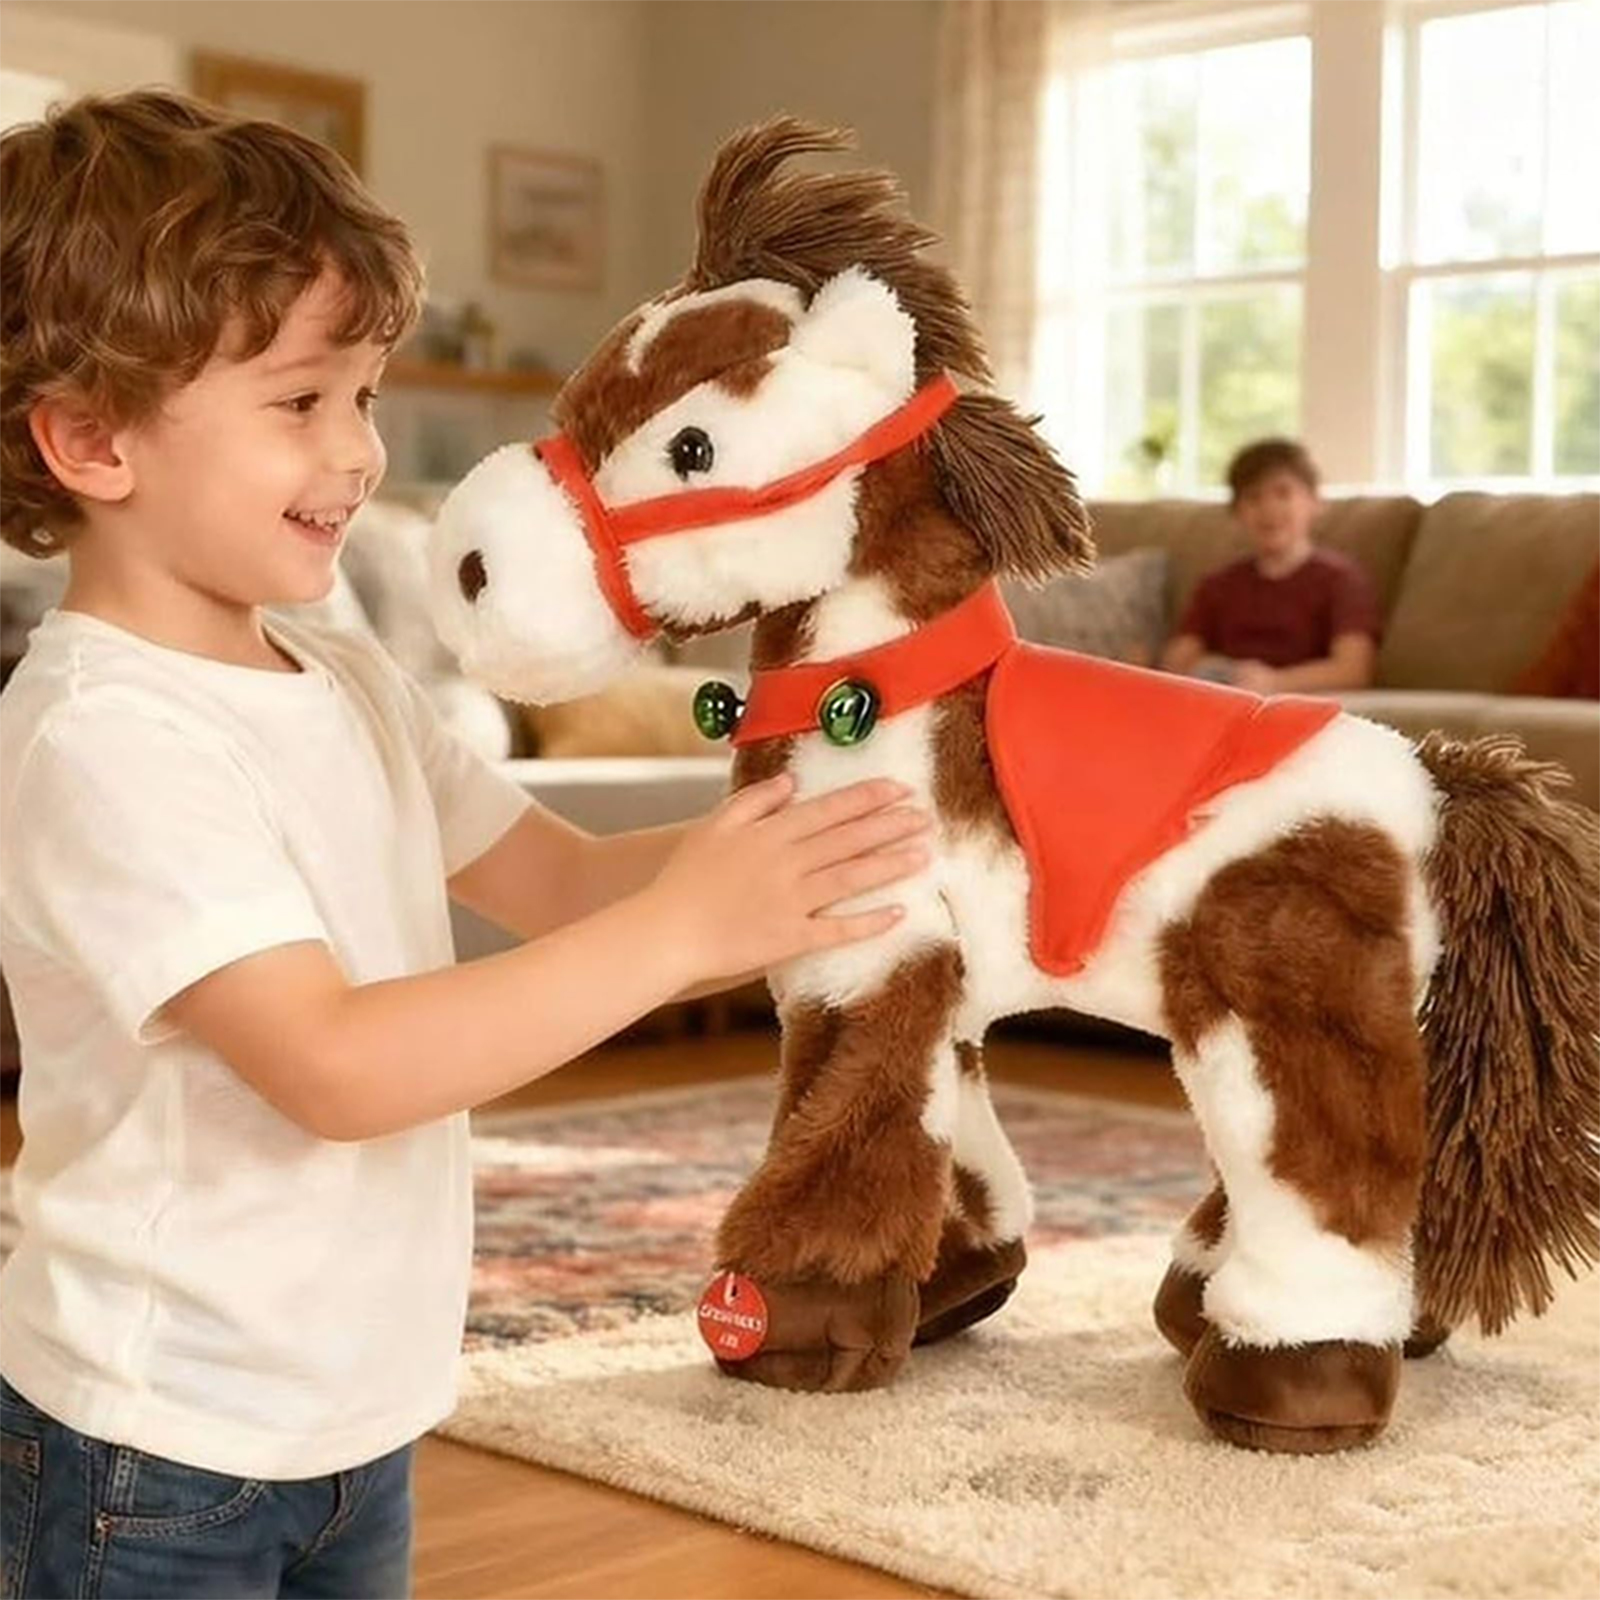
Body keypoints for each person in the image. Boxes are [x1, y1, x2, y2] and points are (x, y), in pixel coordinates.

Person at [0, 91, 930, 1598]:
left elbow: (559, 879)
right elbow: (336, 1066)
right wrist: (683, 931)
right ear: (91, 440)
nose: (361, 453)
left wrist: (805, 843)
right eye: (301, 402)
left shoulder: (342, 671)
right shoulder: (103, 738)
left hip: (356, 1418)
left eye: (365, 395)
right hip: (156, 1449)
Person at [1160, 437, 1380, 693]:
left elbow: (1353, 670)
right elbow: (1177, 661)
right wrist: (1210, 667)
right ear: (1237, 511)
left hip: (1294, 698)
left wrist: (1276, 681)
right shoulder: (1218, 585)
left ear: (1315, 502)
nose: (1268, 508)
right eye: (1253, 497)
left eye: (1283, 493)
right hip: (1230, 692)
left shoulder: (1341, 580)